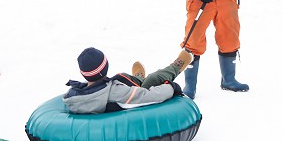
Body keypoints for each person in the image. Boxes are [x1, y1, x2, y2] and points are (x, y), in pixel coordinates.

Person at [63, 47, 191, 114]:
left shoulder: (73, 95)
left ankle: (138, 78)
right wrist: (170, 87)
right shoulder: (116, 92)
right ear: (105, 67)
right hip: (130, 100)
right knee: (153, 79)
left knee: (122, 76)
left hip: (113, 95)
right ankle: (175, 67)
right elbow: (151, 96)